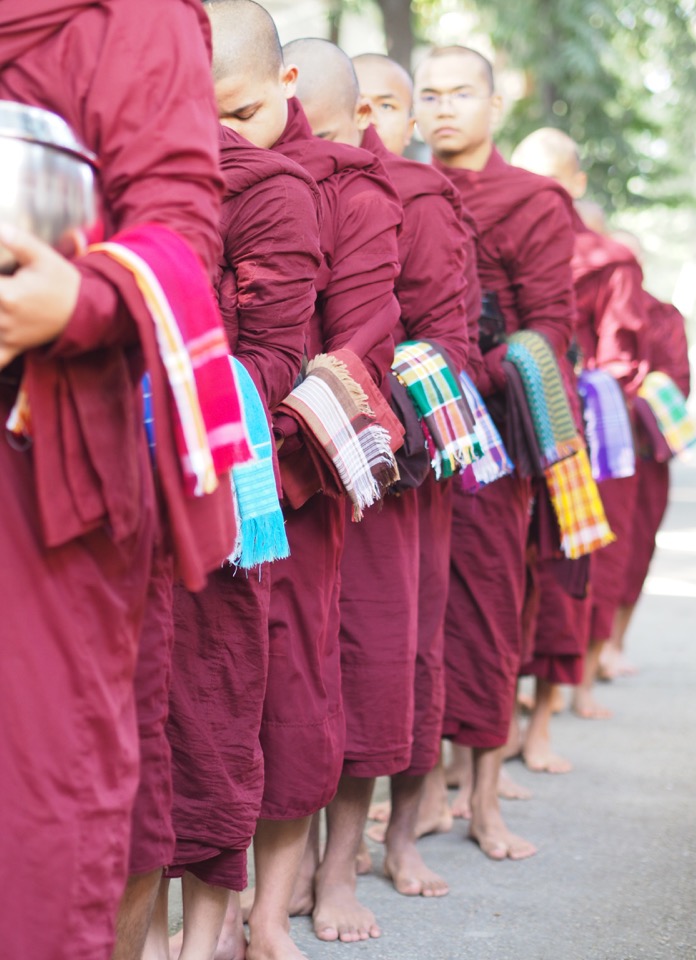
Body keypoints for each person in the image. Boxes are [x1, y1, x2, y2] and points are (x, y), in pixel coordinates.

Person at [0, 1, 237, 958]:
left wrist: (83, 297)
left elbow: (180, 230)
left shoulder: (131, 18)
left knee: (38, 801)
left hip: (36, 462)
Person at [203, 4, 403, 958]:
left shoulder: (356, 196)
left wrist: (270, 441)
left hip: (294, 476)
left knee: (293, 692)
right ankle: (205, 903)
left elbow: (364, 342)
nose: (222, 139)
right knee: (207, 695)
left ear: (289, 93)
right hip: (198, 474)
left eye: (238, 116)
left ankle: (276, 909)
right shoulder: (193, 173)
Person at [279, 41, 470, 939]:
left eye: (399, 106)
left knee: (374, 664)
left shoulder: (410, 198)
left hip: (383, 469)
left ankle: (352, 858)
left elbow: (450, 345)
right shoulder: (251, 178)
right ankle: (281, 872)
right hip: (285, 464)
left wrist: (356, 394)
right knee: (287, 677)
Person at [141, 125, 322, 960]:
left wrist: (186, 390)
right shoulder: (115, 155)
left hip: (222, 472)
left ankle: (208, 933)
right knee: (128, 729)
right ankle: (136, 937)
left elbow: (281, 350)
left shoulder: (272, 189)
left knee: (215, 710)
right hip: (110, 471)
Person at [413, 47, 577, 860]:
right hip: (409, 429)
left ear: (493, 104)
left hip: (489, 435)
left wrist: (487, 359)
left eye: (461, 93)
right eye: (430, 94)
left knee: (483, 608)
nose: (444, 108)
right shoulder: (403, 188)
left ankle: (483, 800)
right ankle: (419, 794)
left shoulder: (534, 201)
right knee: (409, 615)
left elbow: (553, 323)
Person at [512, 128, 650, 720]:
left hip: (578, 429)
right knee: (506, 568)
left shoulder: (609, 260)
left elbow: (622, 358)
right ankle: (506, 708)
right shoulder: (496, 237)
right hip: (509, 420)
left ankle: (552, 707)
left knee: (569, 562)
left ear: (577, 184)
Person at [603, 231, 691, 678]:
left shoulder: (662, 315)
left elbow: (677, 380)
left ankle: (614, 643)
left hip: (642, 449)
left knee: (636, 547)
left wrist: (628, 397)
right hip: (596, 447)